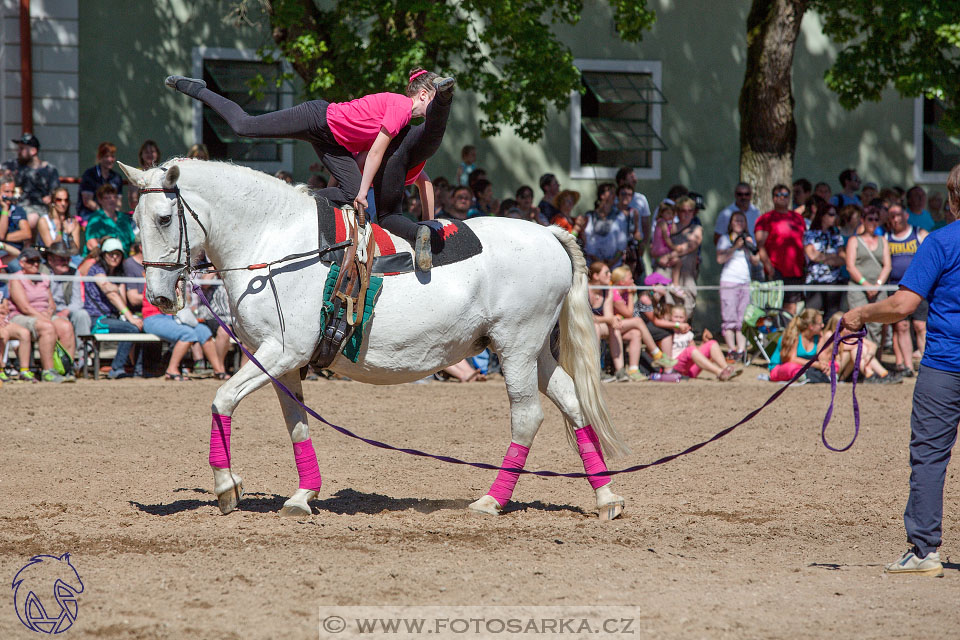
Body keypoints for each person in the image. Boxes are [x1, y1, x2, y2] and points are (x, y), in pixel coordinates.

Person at [840, 162, 960, 576]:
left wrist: (860, 314)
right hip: (945, 363)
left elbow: (903, 305)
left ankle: (924, 550)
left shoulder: (940, 242)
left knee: (929, 456)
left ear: (952, 198)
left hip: (945, 365)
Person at [166, 69, 454, 216]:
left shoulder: (406, 122)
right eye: (437, 100)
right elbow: (376, 151)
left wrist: (350, 189)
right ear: (425, 95)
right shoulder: (402, 107)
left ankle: (296, 202)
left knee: (349, 193)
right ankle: (198, 89)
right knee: (244, 126)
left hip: (332, 141)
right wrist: (366, 192)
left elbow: (362, 152)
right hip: (317, 118)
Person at [7, 247, 74, 382]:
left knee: (65, 326)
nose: (36, 264)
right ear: (22, 263)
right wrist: (45, 318)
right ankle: (48, 371)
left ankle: (65, 368)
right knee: (47, 327)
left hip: (44, 315)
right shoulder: (16, 279)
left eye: (38, 261)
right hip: (21, 317)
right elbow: (25, 307)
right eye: (31, 261)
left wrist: (49, 313)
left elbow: (51, 303)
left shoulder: (43, 278)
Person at [83, 238, 144, 379]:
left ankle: (139, 369)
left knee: (141, 327)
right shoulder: (96, 269)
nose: (114, 257)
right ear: (104, 255)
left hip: (113, 318)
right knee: (132, 328)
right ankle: (117, 368)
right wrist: (130, 317)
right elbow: (112, 296)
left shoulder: (118, 273)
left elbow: (120, 299)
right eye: (111, 254)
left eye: (118, 254)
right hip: (97, 319)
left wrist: (116, 287)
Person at [886, 202, 929, 377]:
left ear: (906, 215)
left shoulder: (920, 234)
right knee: (901, 327)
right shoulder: (887, 237)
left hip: (919, 288)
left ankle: (927, 366)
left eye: (898, 214)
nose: (895, 219)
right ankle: (908, 367)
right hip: (895, 288)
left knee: (920, 326)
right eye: (891, 216)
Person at [610, 266, 677, 374]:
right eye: (630, 279)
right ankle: (657, 354)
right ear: (622, 282)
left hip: (626, 326)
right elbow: (629, 314)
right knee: (638, 321)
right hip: (614, 325)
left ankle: (633, 370)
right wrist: (632, 295)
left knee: (636, 333)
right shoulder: (616, 293)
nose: (633, 281)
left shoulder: (626, 292)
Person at [755, 184, 806, 316]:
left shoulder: (797, 218)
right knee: (774, 307)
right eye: (778, 195)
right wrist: (769, 267)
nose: (782, 198)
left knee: (791, 308)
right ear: (773, 198)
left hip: (796, 270)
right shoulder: (766, 219)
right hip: (776, 270)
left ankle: (787, 335)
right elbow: (760, 244)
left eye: (785, 195)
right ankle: (775, 335)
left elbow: (804, 241)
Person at [844, 205, 891, 348]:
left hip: (878, 289)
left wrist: (877, 285)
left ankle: (873, 362)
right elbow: (850, 266)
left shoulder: (882, 240)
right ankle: (861, 365)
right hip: (859, 289)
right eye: (870, 219)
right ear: (863, 220)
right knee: (860, 323)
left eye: (876, 219)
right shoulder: (854, 240)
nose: (873, 222)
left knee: (877, 325)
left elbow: (887, 266)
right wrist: (866, 285)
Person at [716, 210, 759, 363]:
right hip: (729, 280)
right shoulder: (725, 239)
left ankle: (741, 351)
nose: (739, 224)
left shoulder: (749, 239)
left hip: (745, 282)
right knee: (729, 318)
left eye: (742, 221)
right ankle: (731, 350)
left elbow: (755, 261)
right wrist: (735, 247)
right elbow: (720, 259)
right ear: (731, 223)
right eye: (736, 221)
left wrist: (749, 245)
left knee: (742, 319)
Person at [3, 132, 59, 230]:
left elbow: (56, 192)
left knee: (34, 218)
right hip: (17, 207)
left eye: (22, 149)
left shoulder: (49, 170)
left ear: (33, 151)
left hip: (41, 209)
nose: (18, 152)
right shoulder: (13, 165)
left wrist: (50, 197)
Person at [821, 312, 897, 383]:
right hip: (830, 368)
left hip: (841, 370)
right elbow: (835, 349)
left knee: (859, 348)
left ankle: (878, 374)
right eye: (846, 327)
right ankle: (875, 374)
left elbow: (873, 346)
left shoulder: (847, 336)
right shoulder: (829, 335)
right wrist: (856, 343)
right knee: (857, 348)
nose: (849, 330)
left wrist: (869, 355)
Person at [44, 241, 91, 352]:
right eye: (62, 259)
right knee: (62, 323)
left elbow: (77, 301)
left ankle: (84, 356)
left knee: (82, 315)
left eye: (67, 259)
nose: (66, 262)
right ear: (50, 260)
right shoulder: (42, 272)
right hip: (47, 311)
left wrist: (66, 311)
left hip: (67, 311)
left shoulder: (74, 272)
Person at [669, 305, 738, 381]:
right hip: (675, 367)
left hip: (690, 371)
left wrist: (704, 342)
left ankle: (727, 369)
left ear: (685, 318)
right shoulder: (667, 333)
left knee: (712, 343)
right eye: (676, 317)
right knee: (690, 350)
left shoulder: (688, 334)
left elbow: (695, 353)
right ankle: (720, 373)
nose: (678, 320)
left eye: (681, 317)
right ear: (670, 317)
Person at [803, 202, 846, 320]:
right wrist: (831, 257)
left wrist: (822, 257)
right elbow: (812, 255)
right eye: (831, 214)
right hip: (815, 280)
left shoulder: (836, 235)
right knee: (811, 316)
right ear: (822, 215)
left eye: (835, 214)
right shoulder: (810, 234)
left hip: (834, 281)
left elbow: (842, 259)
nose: (834, 217)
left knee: (832, 317)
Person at [588, 262, 628, 382]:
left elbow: (608, 315)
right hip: (582, 327)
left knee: (613, 327)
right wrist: (610, 319)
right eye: (606, 273)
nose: (610, 275)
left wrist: (612, 320)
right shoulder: (585, 289)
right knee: (595, 326)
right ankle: (596, 370)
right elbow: (585, 318)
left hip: (598, 325)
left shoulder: (607, 291)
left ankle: (620, 371)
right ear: (595, 276)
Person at [767, 308, 831, 382]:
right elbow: (791, 359)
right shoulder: (795, 336)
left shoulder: (818, 337)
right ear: (811, 326)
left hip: (805, 367)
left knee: (833, 364)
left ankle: (807, 376)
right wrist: (816, 364)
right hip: (781, 367)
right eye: (820, 324)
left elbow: (822, 356)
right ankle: (806, 376)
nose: (823, 325)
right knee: (792, 368)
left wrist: (825, 366)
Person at [667, 196, 702, 317]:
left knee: (688, 300)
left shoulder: (696, 228)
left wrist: (674, 253)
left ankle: (685, 329)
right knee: (669, 303)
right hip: (670, 272)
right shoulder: (670, 227)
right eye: (683, 210)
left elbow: (692, 245)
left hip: (688, 272)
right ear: (677, 211)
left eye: (690, 210)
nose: (686, 213)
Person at [580, 183, 629, 268]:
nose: (614, 195)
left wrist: (612, 262)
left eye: (614, 193)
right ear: (602, 195)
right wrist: (598, 261)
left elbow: (622, 244)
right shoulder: (590, 216)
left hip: (614, 266)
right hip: (594, 266)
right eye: (611, 192)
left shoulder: (620, 216)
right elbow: (587, 240)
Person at [84, 184, 136, 257]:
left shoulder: (123, 217)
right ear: (100, 200)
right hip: (103, 259)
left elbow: (132, 242)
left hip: (123, 259)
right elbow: (91, 243)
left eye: (114, 197)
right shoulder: (96, 218)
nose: (111, 200)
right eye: (107, 198)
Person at [77, 142, 124, 221]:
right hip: (89, 213)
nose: (110, 159)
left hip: (110, 214)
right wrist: (104, 214)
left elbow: (118, 202)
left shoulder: (117, 177)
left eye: (112, 156)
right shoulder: (89, 175)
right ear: (99, 157)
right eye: (106, 156)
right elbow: (87, 202)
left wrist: (114, 214)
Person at [615, 167, 653, 251]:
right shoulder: (613, 200)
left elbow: (645, 224)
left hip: (633, 247)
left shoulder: (641, 199)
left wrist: (643, 244)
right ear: (622, 181)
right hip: (615, 246)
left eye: (629, 194)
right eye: (631, 177)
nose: (635, 179)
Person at [0, 293, 33, 383]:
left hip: (3, 321)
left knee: (24, 333)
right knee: (3, 334)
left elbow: (5, 308)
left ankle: (24, 371)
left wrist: (3, 315)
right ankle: (1, 370)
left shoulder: (3, 286)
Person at [37, 187, 81, 253]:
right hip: (51, 258)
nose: (63, 203)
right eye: (59, 200)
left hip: (70, 257)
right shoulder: (44, 221)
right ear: (53, 201)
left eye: (66, 200)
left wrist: (69, 235)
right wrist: (60, 232)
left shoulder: (73, 222)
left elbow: (75, 250)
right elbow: (51, 248)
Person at [0, 175, 31, 258]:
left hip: (17, 252)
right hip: (2, 251)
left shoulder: (18, 210)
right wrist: (5, 209)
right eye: (6, 191)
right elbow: (1, 234)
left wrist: (4, 239)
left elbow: (27, 234)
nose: (10, 195)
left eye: (12, 192)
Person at [128, 139, 162, 210]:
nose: (150, 154)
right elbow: (133, 200)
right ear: (141, 155)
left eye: (152, 152)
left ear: (157, 154)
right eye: (146, 152)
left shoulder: (162, 173)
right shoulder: (136, 173)